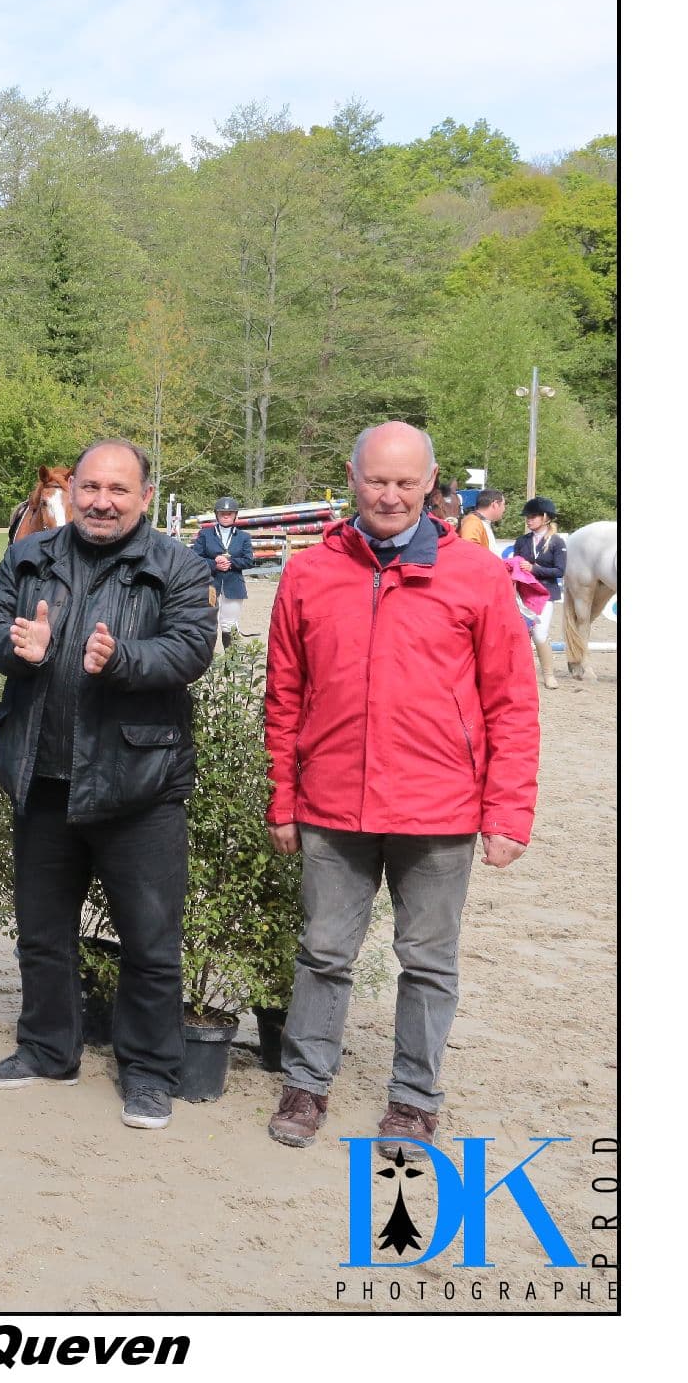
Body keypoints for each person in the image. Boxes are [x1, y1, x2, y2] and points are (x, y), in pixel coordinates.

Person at [261, 422, 539, 1152]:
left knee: (428, 963)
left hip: (438, 808)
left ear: (430, 482)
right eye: (377, 480)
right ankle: (306, 1084)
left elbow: (511, 700)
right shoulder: (309, 573)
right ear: (352, 478)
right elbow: (283, 695)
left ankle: (414, 1101)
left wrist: (508, 810)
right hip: (332, 805)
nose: (390, 495)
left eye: (405, 482)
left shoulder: (477, 575)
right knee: (324, 953)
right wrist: (284, 798)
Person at [0, 440, 215, 1131]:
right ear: (72, 489)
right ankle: (48, 1050)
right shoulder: (29, 556)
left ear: (145, 496)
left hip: (139, 783)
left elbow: (191, 646)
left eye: (119, 490)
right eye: (92, 488)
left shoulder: (177, 565)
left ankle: (149, 1072)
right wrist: (14, 646)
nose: (103, 502)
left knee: (150, 941)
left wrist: (123, 656)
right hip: (43, 776)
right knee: (43, 932)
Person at [191, 496, 256, 652]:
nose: (226, 516)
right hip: (210, 585)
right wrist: (215, 564)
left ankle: (230, 660)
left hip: (233, 585)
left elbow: (248, 560)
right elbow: (195, 558)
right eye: (222, 513)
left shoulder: (243, 537)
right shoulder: (205, 534)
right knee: (207, 622)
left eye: (229, 513)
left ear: (235, 515)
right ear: (217, 515)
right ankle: (205, 658)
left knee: (229, 624)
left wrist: (230, 562)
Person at [517, 496, 567, 691]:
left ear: (545, 518)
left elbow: (560, 571)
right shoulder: (522, 541)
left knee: (539, 634)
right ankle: (523, 674)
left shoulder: (556, 542)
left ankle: (548, 674)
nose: (528, 520)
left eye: (533, 516)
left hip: (545, 594)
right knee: (521, 634)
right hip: (524, 594)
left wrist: (534, 569)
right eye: (528, 517)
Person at [457, 488, 505, 555]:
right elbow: (470, 552)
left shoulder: (480, 522)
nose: (504, 509)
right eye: (503, 504)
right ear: (495, 504)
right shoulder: (473, 522)